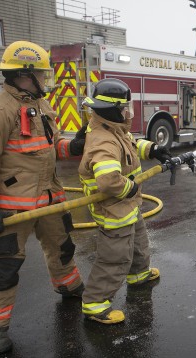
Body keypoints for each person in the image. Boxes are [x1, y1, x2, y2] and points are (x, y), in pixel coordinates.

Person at [0, 41, 87, 353]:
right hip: (12, 208)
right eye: (42, 75)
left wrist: (72, 147)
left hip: (49, 198)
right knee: (4, 268)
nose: (45, 81)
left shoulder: (40, 106)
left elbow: (50, 146)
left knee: (62, 247)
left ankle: (69, 285)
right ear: (24, 74)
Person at [78, 78, 172, 324]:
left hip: (127, 205)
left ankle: (138, 275)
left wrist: (152, 149)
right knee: (115, 257)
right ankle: (96, 304)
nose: (127, 113)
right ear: (111, 110)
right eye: (123, 108)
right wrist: (129, 188)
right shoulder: (103, 140)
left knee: (139, 243)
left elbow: (130, 146)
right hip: (113, 208)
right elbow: (108, 181)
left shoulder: (112, 129)